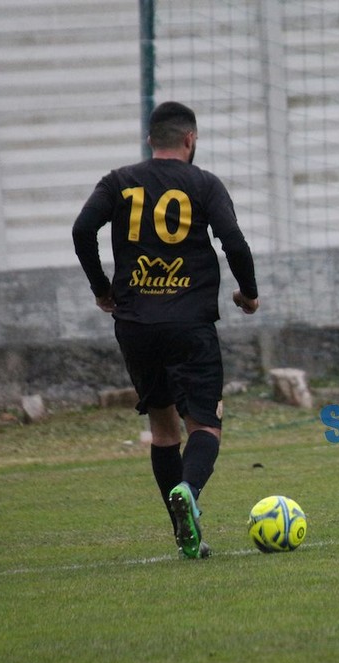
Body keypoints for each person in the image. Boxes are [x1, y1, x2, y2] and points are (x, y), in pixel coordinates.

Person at [72, 101, 259, 559]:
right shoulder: (204, 184)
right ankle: (188, 491)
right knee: (206, 424)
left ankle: (184, 533)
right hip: (189, 322)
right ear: (190, 139)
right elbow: (234, 242)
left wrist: (101, 289)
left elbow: (82, 230)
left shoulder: (118, 181)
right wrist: (248, 293)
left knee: (163, 428)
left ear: (150, 140)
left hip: (135, 324)